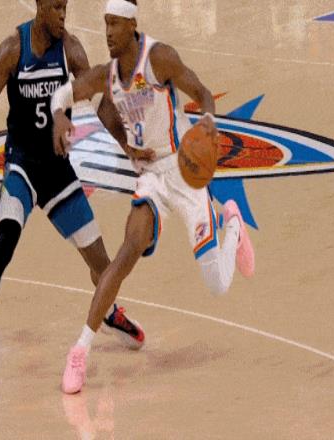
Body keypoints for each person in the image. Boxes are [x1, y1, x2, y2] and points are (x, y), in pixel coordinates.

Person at [51, 0, 256, 394]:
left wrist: (208, 125)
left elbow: (203, 92)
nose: (108, 33)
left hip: (183, 170)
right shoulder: (106, 76)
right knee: (126, 251)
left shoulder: (159, 57)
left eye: (114, 24)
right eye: (105, 24)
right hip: (150, 178)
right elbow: (62, 95)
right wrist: (60, 115)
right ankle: (80, 350)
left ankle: (231, 224)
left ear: (132, 24)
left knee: (217, 283)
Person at [0, 0, 147, 387]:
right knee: (5, 242)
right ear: (40, 5)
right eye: (56, 7)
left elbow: (103, 105)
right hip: (22, 165)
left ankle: (108, 312)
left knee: (103, 264)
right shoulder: (13, 49)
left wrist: (131, 146)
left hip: (57, 171)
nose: (62, 15)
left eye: (65, 8)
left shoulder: (71, 50)